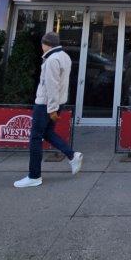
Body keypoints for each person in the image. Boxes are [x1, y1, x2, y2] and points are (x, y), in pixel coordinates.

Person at [14, 32, 83, 188]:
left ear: (47, 44)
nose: (41, 46)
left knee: (35, 138)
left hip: (45, 104)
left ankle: (34, 175)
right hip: (57, 103)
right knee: (47, 133)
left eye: (42, 43)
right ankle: (72, 156)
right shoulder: (64, 56)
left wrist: (52, 108)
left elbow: (52, 85)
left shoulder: (52, 59)